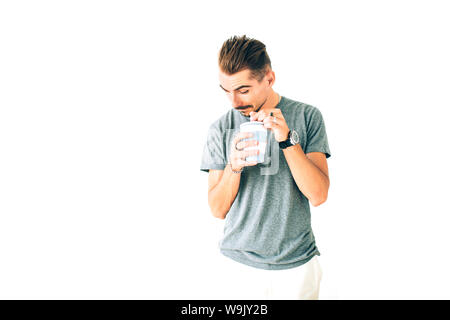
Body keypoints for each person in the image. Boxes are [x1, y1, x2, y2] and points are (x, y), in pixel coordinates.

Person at [200, 35, 331, 300]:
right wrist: (233, 166)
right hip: (238, 267)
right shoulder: (220, 128)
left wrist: (287, 140)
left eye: (243, 90)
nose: (234, 102)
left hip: (298, 267)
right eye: (226, 90)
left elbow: (318, 195)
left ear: (269, 79)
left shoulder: (308, 116)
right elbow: (217, 208)